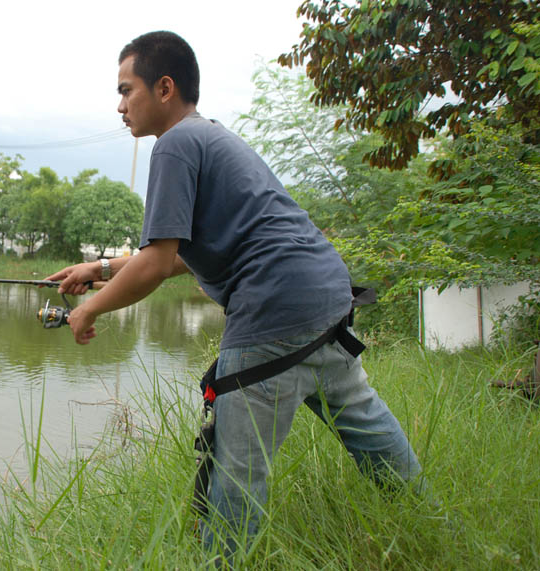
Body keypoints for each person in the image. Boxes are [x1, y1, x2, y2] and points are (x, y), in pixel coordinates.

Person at [46, 30, 423, 558]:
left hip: (272, 312)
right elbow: (179, 255)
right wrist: (100, 267)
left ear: (164, 88)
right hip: (325, 296)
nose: (120, 105)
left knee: (236, 475)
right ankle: (426, 517)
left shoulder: (174, 145)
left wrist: (88, 308)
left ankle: (224, 560)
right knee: (366, 424)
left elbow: (155, 264)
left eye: (126, 89)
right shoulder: (212, 136)